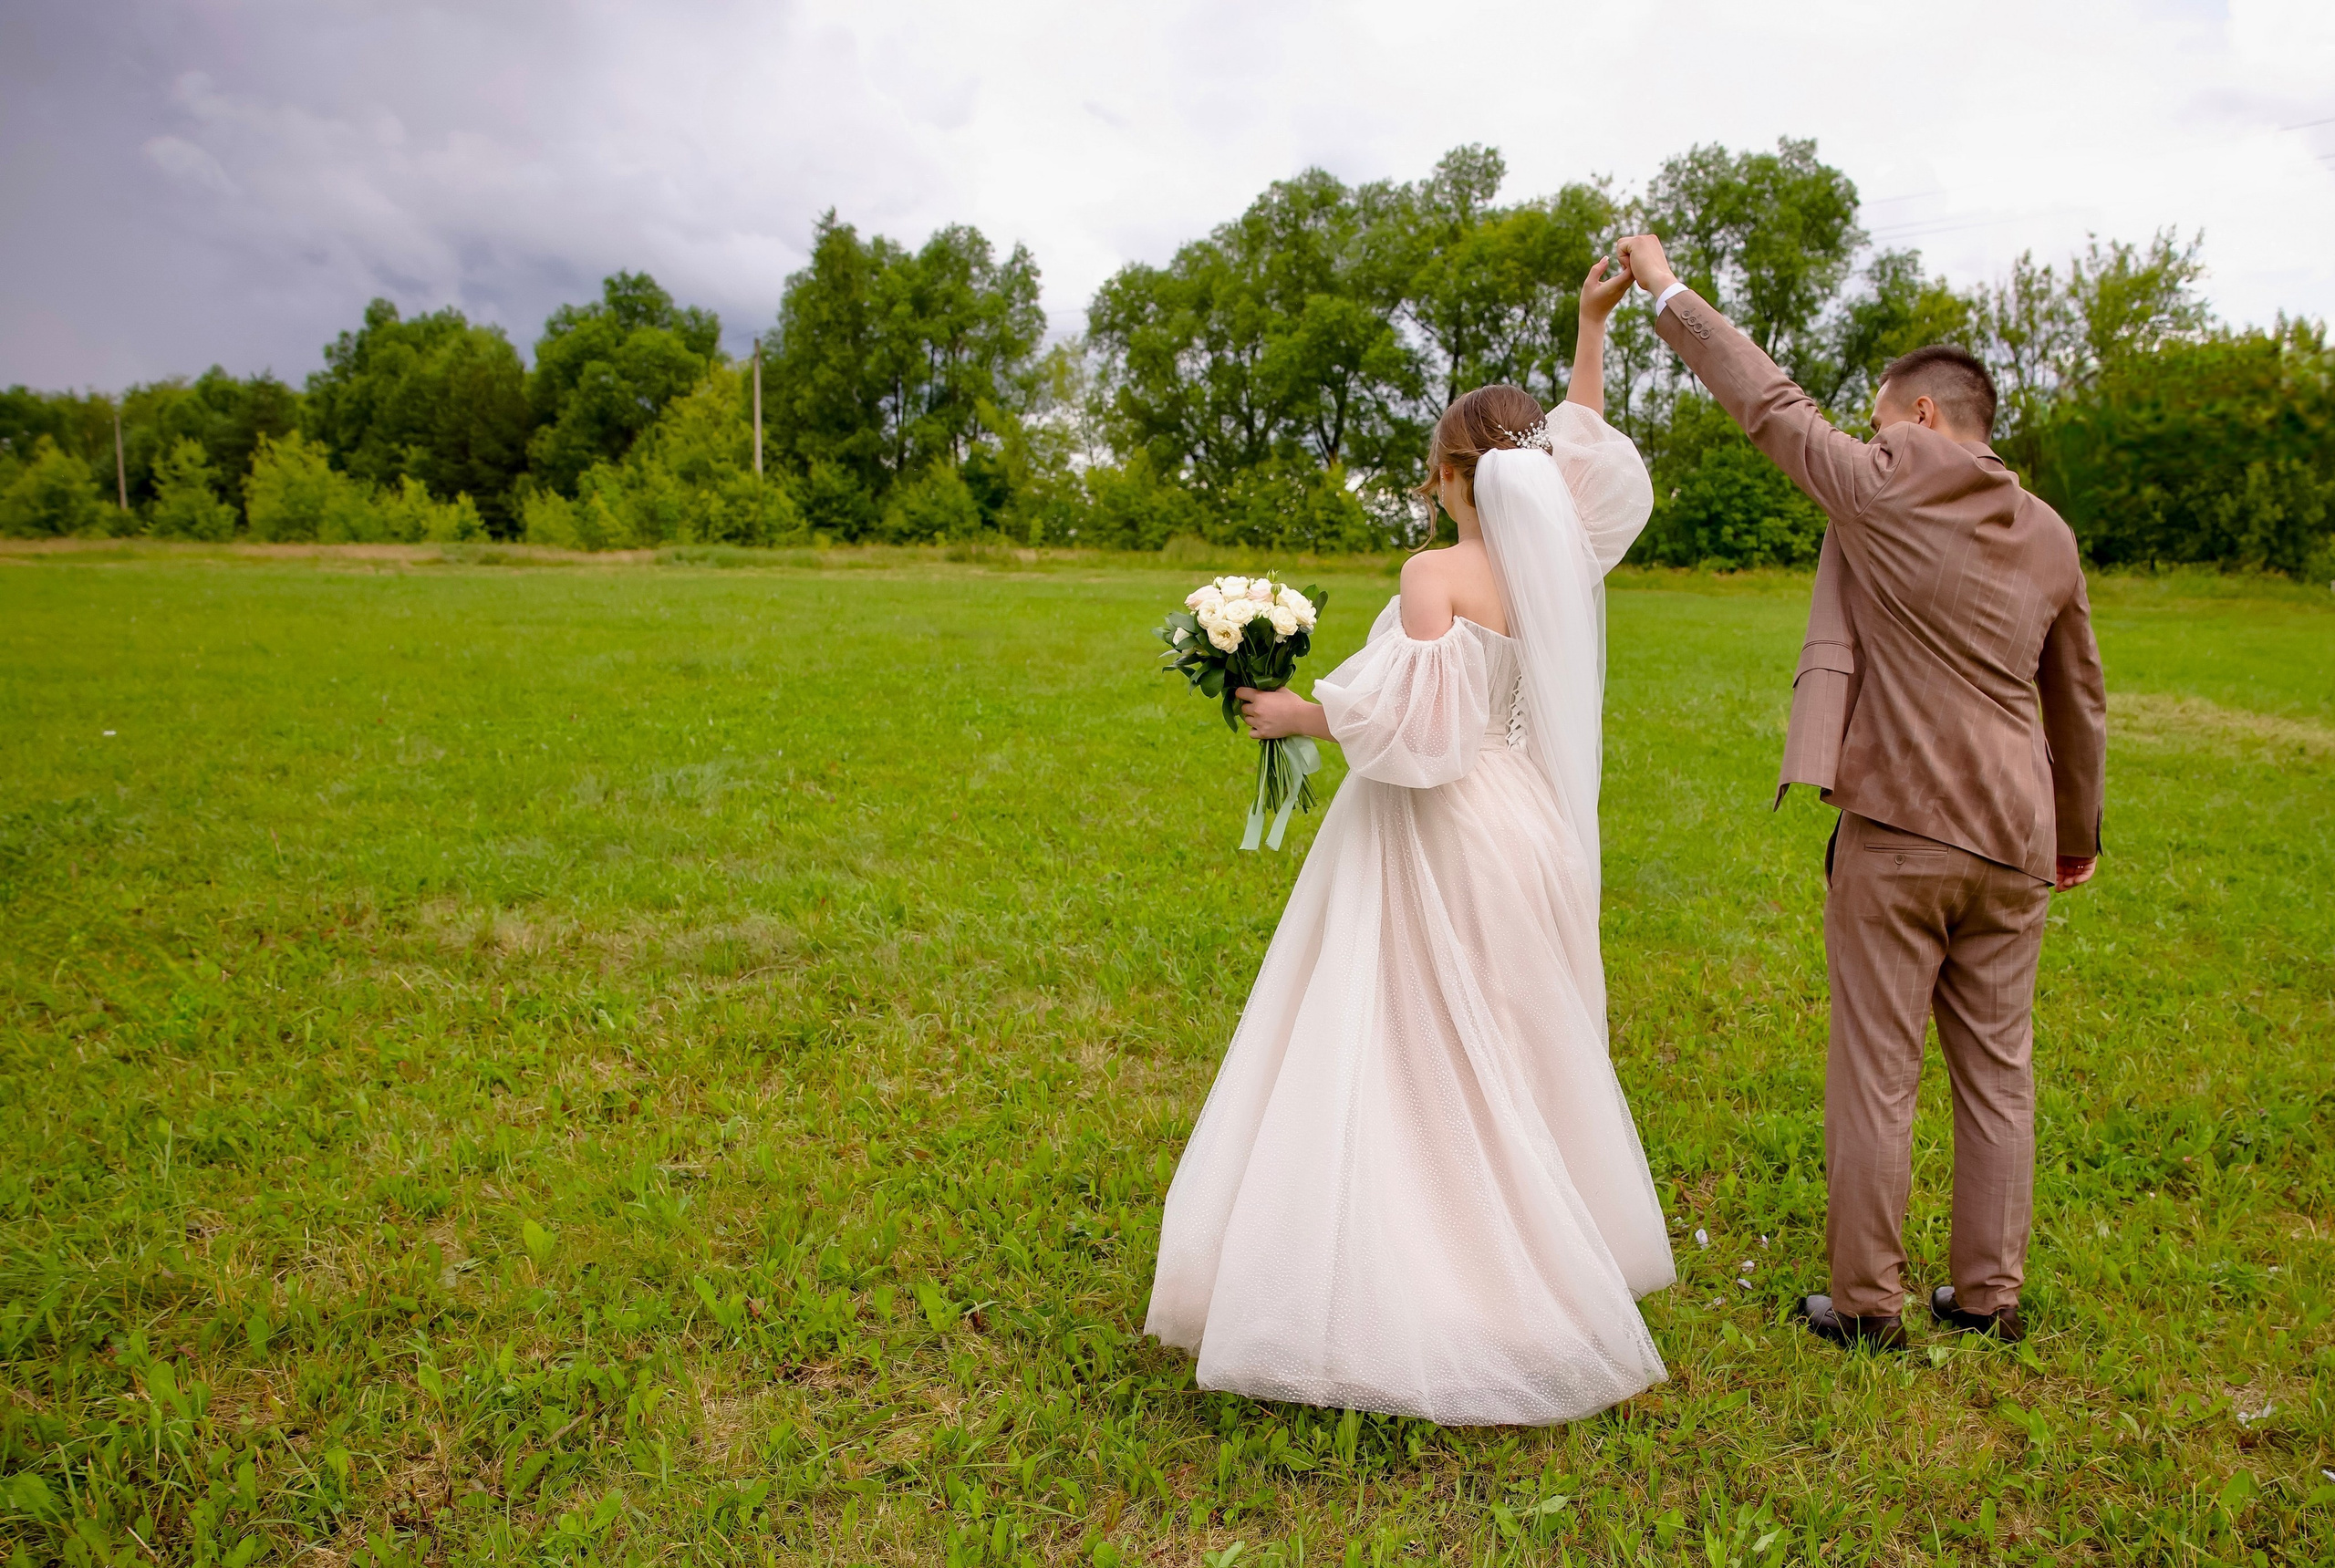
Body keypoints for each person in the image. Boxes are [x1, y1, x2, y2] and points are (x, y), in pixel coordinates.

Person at [1143, 259, 1674, 1426]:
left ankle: (1414, 1279)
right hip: (1521, 829)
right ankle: (1525, 1254)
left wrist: (1297, 714)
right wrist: (1591, 327)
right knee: (1504, 1033)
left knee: (1402, 1037)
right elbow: (1579, 448)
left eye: (1433, 472)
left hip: (1436, 831)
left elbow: (1418, 735)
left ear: (1450, 477)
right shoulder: (1564, 568)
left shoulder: (1433, 570)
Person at [1616, 232, 2107, 1351]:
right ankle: (1989, 1297)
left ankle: (1867, 1306)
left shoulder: (1884, 488)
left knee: (1877, 1069)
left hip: (1898, 829)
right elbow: (2077, 698)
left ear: (1921, 418)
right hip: (2017, 837)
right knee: (1998, 1072)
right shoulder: (2050, 536)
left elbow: (1767, 402)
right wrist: (2072, 831)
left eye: (1880, 417)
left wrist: (1663, 285)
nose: (1869, 433)